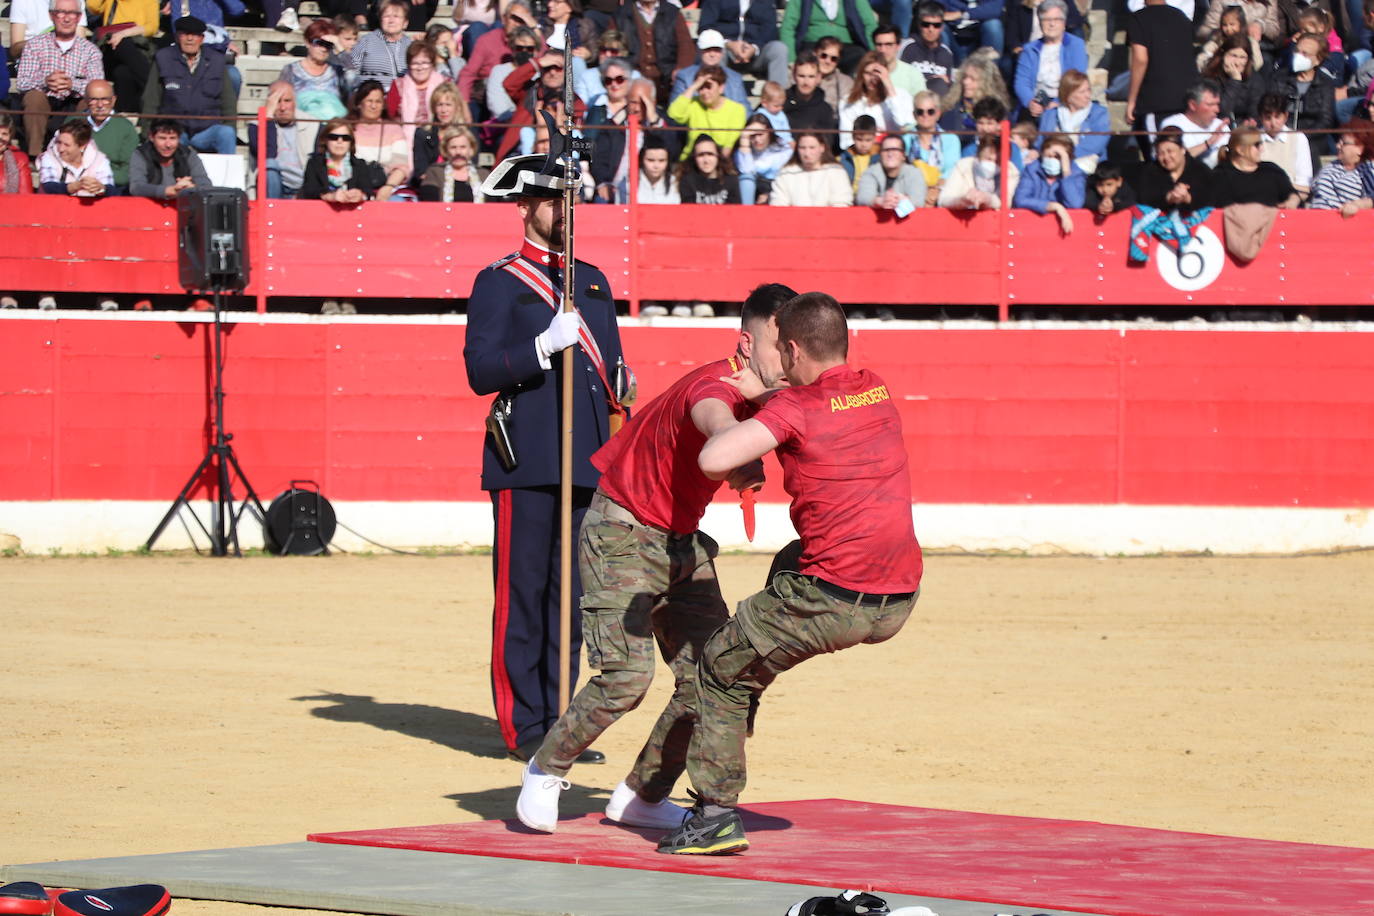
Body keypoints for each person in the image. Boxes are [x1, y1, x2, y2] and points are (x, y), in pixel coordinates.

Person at [513, 282, 795, 836]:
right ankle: (545, 769)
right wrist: (736, 442)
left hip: (680, 541)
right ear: (746, 343)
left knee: (719, 675)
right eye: (777, 344)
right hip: (621, 530)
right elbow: (714, 417)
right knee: (626, 677)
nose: (788, 357)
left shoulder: (772, 396)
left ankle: (643, 795)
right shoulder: (716, 386)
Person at [657, 291, 922, 856]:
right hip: (899, 594)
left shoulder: (794, 409)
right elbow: (824, 401)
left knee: (719, 667)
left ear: (794, 348)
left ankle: (713, 818)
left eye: (782, 352)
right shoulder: (875, 386)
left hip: (834, 600)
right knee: (787, 560)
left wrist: (755, 404)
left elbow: (713, 459)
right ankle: (746, 690)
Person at [463, 152, 626, 766]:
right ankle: (523, 725)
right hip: (526, 460)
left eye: (570, 199)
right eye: (553, 200)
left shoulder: (592, 280)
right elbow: (480, 370)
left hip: (584, 459)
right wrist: (538, 347)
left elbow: (610, 374)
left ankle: (562, 725)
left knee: (572, 601)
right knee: (523, 596)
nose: (565, 210)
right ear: (525, 206)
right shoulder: (499, 282)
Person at [16, 0, 104, 160]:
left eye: (72, 13)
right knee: (33, 97)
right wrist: (45, 81)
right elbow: (22, 82)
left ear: (78, 18)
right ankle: (35, 155)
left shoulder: (90, 51)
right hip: (45, 104)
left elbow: (98, 86)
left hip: (74, 104)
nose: (67, 18)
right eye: (61, 13)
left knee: (91, 101)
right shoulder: (34, 45)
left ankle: (77, 155)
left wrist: (73, 84)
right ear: (52, 16)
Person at [142, 16, 238, 157]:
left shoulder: (216, 61)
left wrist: (230, 126)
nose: (190, 39)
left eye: (194, 35)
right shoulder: (163, 58)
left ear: (202, 38)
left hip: (207, 129)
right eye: (185, 34)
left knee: (226, 133)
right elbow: (151, 99)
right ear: (177, 37)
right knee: (169, 139)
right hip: (174, 129)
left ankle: (227, 178)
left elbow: (228, 100)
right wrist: (147, 132)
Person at [1126, 0, 1199, 158]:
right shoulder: (1181, 17)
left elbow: (1140, 59)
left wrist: (1132, 100)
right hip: (1186, 99)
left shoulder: (1139, 18)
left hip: (1156, 101)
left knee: (1159, 159)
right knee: (1180, 156)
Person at [1013, 0, 1088, 119]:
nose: (1051, 24)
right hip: (1036, 102)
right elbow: (1021, 82)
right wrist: (1030, 102)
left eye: (1057, 19)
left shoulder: (1076, 45)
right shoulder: (1030, 49)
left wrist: (1059, 102)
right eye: (1046, 20)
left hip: (1066, 103)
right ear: (1040, 23)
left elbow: (1076, 80)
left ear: (1064, 23)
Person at [613, 0, 696, 105]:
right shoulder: (622, 13)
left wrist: (680, 69)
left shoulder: (672, 12)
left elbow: (685, 45)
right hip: (632, 76)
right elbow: (611, 45)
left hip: (667, 76)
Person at [696, 0, 791, 89]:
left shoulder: (765, 2)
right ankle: (718, 98)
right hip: (726, 51)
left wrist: (754, 48)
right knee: (715, 51)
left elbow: (770, 30)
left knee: (779, 49)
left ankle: (777, 101)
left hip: (756, 54)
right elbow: (706, 27)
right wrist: (728, 44)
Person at [461, 2, 538, 111]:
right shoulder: (487, 40)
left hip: (524, 90)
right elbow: (469, 73)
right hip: (486, 92)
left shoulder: (531, 41)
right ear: (504, 18)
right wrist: (464, 105)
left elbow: (543, 58)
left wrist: (534, 25)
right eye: (513, 18)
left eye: (522, 20)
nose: (517, 24)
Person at [299, 117, 393, 202]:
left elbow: (368, 191)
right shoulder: (314, 163)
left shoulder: (359, 165)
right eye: (334, 137)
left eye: (345, 138)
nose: (340, 141)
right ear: (325, 140)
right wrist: (329, 196)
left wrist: (360, 195)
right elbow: (309, 191)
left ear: (351, 142)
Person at [249, 81, 315, 199]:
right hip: (273, 186)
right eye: (277, 101)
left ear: (295, 102)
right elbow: (269, 153)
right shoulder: (256, 125)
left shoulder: (312, 124)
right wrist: (268, 116)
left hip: (303, 188)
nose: (282, 108)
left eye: (287, 101)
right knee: (269, 164)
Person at [87, 0, 156, 112]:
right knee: (123, 44)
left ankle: (125, 112)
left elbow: (152, 27)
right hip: (109, 47)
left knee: (122, 72)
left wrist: (124, 34)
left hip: (136, 48)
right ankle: (153, 90)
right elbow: (93, 7)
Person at [667, 65, 749, 158]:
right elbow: (674, 114)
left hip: (719, 161)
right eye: (701, 87)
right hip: (691, 159)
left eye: (708, 87)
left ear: (721, 88)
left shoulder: (737, 110)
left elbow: (727, 147)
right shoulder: (693, 103)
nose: (704, 92)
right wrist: (693, 87)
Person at [72, 79, 137, 193]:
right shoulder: (73, 122)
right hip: (76, 185)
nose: (100, 105)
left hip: (112, 188)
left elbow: (129, 170)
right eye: (94, 99)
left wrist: (101, 182)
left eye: (105, 99)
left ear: (113, 100)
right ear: (86, 100)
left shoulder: (125, 127)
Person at [839, 51, 916, 147]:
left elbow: (903, 123)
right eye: (867, 73)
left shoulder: (901, 95)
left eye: (877, 73)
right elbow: (845, 142)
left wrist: (888, 86)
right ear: (861, 74)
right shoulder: (847, 101)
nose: (872, 78)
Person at [1012, 131, 1084, 234]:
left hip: (1062, 232)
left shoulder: (1076, 174)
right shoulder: (1032, 170)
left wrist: (1066, 173)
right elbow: (1020, 200)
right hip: (1032, 228)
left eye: (1058, 157)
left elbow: (1075, 204)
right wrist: (1053, 206)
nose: (1053, 160)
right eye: (1049, 156)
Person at [1210, 125, 1301, 206]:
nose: (1262, 149)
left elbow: (1291, 193)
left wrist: (1293, 200)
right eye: (1257, 145)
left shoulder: (1271, 170)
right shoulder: (1220, 176)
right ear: (1240, 150)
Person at [780, 0, 878, 73]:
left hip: (845, 46)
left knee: (859, 56)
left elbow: (870, 24)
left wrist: (874, 53)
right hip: (813, 44)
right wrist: (791, 59)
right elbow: (788, 26)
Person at [386, 42, 453, 149]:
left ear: (433, 64)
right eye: (415, 63)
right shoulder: (398, 85)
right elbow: (390, 116)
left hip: (440, 139)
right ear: (409, 65)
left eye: (425, 62)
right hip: (405, 140)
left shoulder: (445, 84)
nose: (420, 67)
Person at [1134, 125, 1215, 213]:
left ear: (1182, 149)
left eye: (1170, 151)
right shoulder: (1150, 171)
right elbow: (1144, 200)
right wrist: (1168, 198)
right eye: (1161, 153)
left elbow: (1211, 199)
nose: (1166, 157)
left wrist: (1189, 199)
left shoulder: (1200, 170)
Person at [128, 118, 213, 200]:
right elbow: (136, 187)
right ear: (151, 137)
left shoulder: (188, 154)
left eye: (172, 138)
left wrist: (191, 189)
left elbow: (206, 185)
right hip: (149, 206)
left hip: (182, 207)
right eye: (162, 138)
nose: (168, 145)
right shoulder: (141, 154)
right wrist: (170, 190)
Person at [349, 80, 411, 191]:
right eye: (369, 101)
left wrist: (388, 188)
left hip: (386, 187)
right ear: (359, 104)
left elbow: (401, 167)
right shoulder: (347, 129)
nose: (374, 106)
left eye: (378, 102)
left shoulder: (394, 129)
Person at [278, 19, 349, 112]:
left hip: (333, 124)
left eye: (328, 45)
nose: (323, 49)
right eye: (319, 43)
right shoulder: (291, 70)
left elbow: (356, 74)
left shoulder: (337, 71)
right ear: (307, 42)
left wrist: (339, 46)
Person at [1160, 80, 1231, 168]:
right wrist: (1209, 143)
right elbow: (1175, 159)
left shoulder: (1220, 125)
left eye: (1217, 104)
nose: (1217, 110)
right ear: (1193, 105)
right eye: (1210, 105)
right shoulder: (1173, 125)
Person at [1308, 118, 1374, 214]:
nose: (1338, 146)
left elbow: (1372, 199)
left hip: (1344, 222)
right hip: (1313, 218)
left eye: (1344, 143)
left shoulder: (1367, 169)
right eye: (1339, 142)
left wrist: (1357, 205)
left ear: (1360, 148)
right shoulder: (1331, 165)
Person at [1256, 91, 1313, 201]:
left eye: (1277, 117)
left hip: (1291, 200)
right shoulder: (1254, 139)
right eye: (1268, 118)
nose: (1273, 123)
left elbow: (1304, 184)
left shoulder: (1298, 138)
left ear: (1285, 116)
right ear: (1261, 118)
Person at [672, 30, 750, 108]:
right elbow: (675, 108)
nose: (712, 54)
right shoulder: (684, 77)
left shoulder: (735, 78)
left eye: (717, 50)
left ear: (722, 52)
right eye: (707, 49)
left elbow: (745, 109)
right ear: (699, 50)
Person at [939, 133, 1020, 208]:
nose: (993, 165)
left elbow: (1006, 203)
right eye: (988, 159)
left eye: (997, 162)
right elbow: (944, 200)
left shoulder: (1011, 172)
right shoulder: (963, 166)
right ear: (978, 155)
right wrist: (962, 200)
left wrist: (988, 199)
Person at [348, 0, 414, 91]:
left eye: (396, 16)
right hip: (373, 94)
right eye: (387, 16)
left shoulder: (411, 45)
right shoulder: (367, 40)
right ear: (380, 19)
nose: (391, 21)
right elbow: (351, 70)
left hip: (404, 94)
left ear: (405, 23)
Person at [412, 82, 471, 183]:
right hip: (431, 184)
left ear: (457, 107)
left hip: (462, 184)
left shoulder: (468, 133)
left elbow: (472, 167)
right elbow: (421, 171)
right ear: (434, 108)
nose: (444, 110)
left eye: (448, 105)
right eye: (440, 105)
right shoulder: (422, 134)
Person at [1200, 33, 1264, 125]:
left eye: (1242, 57)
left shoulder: (1255, 79)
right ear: (1223, 54)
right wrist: (1235, 81)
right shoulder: (1210, 76)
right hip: (1216, 127)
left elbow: (1255, 114)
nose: (1237, 63)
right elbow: (1221, 112)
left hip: (1242, 131)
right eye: (1233, 55)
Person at [38, 120, 114, 197]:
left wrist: (100, 188)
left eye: (67, 145)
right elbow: (49, 187)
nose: (61, 149)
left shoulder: (100, 160)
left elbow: (110, 189)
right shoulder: (49, 157)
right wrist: (76, 186)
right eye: (59, 142)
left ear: (82, 146)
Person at [856, 132, 928, 211]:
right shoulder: (870, 172)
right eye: (886, 150)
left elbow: (919, 201)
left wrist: (898, 200)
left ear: (903, 155)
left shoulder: (914, 173)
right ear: (880, 154)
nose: (890, 154)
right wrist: (880, 201)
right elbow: (862, 198)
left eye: (895, 150)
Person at [939, 53, 1011, 132]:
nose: (965, 82)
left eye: (973, 79)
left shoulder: (997, 110)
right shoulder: (952, 108)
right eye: (965, 77)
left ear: (985, 83)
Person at [902, 2, 957, 98]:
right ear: (919, 25)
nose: (931, 29)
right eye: (926, 24)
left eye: (936, 25)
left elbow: (949, 83)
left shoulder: (946, 53)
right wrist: (928, 80)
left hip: (938, 102)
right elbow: (899, 78)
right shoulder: (908, 47)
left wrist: (947, 82)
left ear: (942, 27)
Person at [736, 114, 793, 204]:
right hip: (754, 192)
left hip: (777, 189)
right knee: (747, 179)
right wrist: (744, 141)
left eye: (760, 134)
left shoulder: (783, 149)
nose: (757, 140)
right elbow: (747, 171)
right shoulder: (743, 150)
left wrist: (768, 194)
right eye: (752, 135)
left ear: (769, 132)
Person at [784, 53, 840, 144]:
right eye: (801, 76)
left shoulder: (825, 110)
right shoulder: (779, 103)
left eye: (811, 76)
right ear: (794, 76)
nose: (806, 82)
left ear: (818, 78)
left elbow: (827, 144)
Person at [419, 127, 486, 201]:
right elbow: (429, 203)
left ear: (471, 149)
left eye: (463, 147)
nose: (458, 152)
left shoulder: (483, 174)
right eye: (453, 147)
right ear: (445, 150)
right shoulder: (435, 172)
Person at [1195, 7, 1263, 75]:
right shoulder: (1217, 42)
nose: (1228, 28)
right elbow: (1201, 61)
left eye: (1232, 24)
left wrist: (1243, 66)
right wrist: (1214, 56)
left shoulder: (1250, 42)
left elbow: (1258, 63)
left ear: (1241, 24)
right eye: (1225, 25)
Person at [677, 134, 742, 203]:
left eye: (710, 154)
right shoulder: (687, 181)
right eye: (701, 155)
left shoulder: (731, 180)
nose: (706, 160)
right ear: (694, 158)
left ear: (718, 156)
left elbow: (735, 210)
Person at [941, 0, 1005, 63]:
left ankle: (989, 69)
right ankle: (941, 67)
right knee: (939, 26)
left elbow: (995, 9)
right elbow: (938, 9)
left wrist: (964, 14)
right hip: (954, 40)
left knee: (993, 24)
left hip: (980, 42)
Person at [872, 24, 926, 97]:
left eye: (888, 44)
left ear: (898, 46)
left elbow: (922, 103)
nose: (883, 50)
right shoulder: (865, 72)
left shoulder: (912, 74)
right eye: (879, 45)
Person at [814, 36, 856, 116]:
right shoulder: (800, 75)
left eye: (833, 59)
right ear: (815, 54)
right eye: (823, 56)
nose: (827, 61)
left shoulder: (846, 82)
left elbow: (848, 112)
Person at [840, 114, 879, 189]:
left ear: (874, 138)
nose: (863, 144)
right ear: (853, 137)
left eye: (868, 140)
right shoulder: (844, 158)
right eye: (859, 139)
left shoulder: (879, 157)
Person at [636, 137, 681, 202]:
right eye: (650, 160)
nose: (656, 166)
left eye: (661, 160)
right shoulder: (628, 182)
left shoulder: (674, 183)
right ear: (641, 160)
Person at [0, 115, 36, 195]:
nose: (0, 137)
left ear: (10, 136)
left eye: (4, 134)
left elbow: (25, 195)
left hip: (10, 205)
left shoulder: (19, 159)